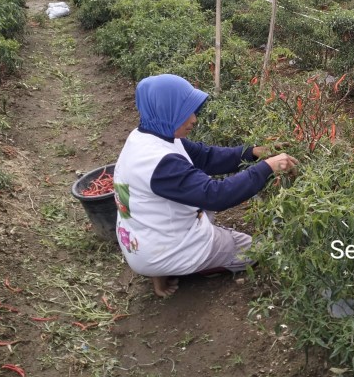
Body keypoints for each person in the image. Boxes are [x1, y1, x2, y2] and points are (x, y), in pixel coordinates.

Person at [113, 74, 299, 297]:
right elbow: (216, 195)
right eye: (186, 112)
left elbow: (206, 157)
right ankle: (185, 265)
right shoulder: (160, 163)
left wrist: (252, 152)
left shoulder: (148, 137)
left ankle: (161, 270)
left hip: (142, 239)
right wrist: (267, 167)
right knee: (255, 250)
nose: (194, 119)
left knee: (198, 199)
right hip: (162, 250)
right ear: (167, 110)